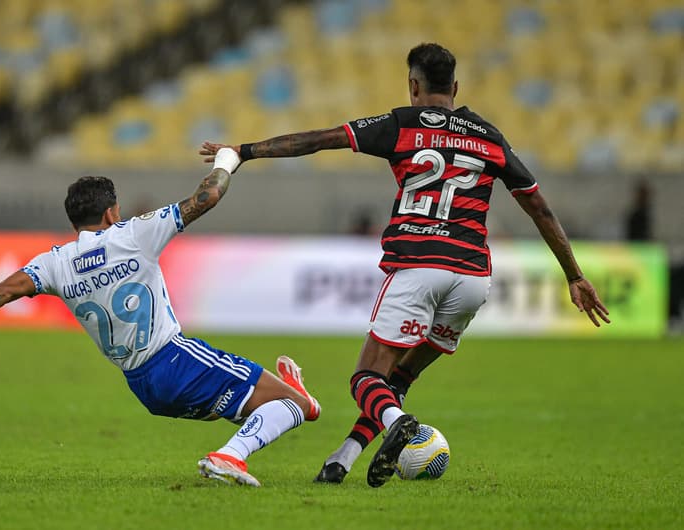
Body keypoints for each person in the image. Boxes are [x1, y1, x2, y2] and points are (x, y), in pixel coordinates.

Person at [200, 43, 610, 487]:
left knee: (365, 379)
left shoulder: (402, 124)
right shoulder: (489, 136)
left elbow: (321, 140)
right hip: (474, 277)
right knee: (397, 379)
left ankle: (399, 426)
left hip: (419, 266)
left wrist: (245, 150)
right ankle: (342, 460)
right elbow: (540, 209)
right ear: (455, 87)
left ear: (413, 85)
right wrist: (575, 275)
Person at [0, 148, 320, 488]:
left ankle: (284, 401)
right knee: (298, 406)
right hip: (174, 358)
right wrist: (230, 159)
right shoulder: (133, 235)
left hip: (143, 387)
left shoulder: (55, 263)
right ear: (112, 212)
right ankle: (229, 456)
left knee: (283, 406)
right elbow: (206, 197)